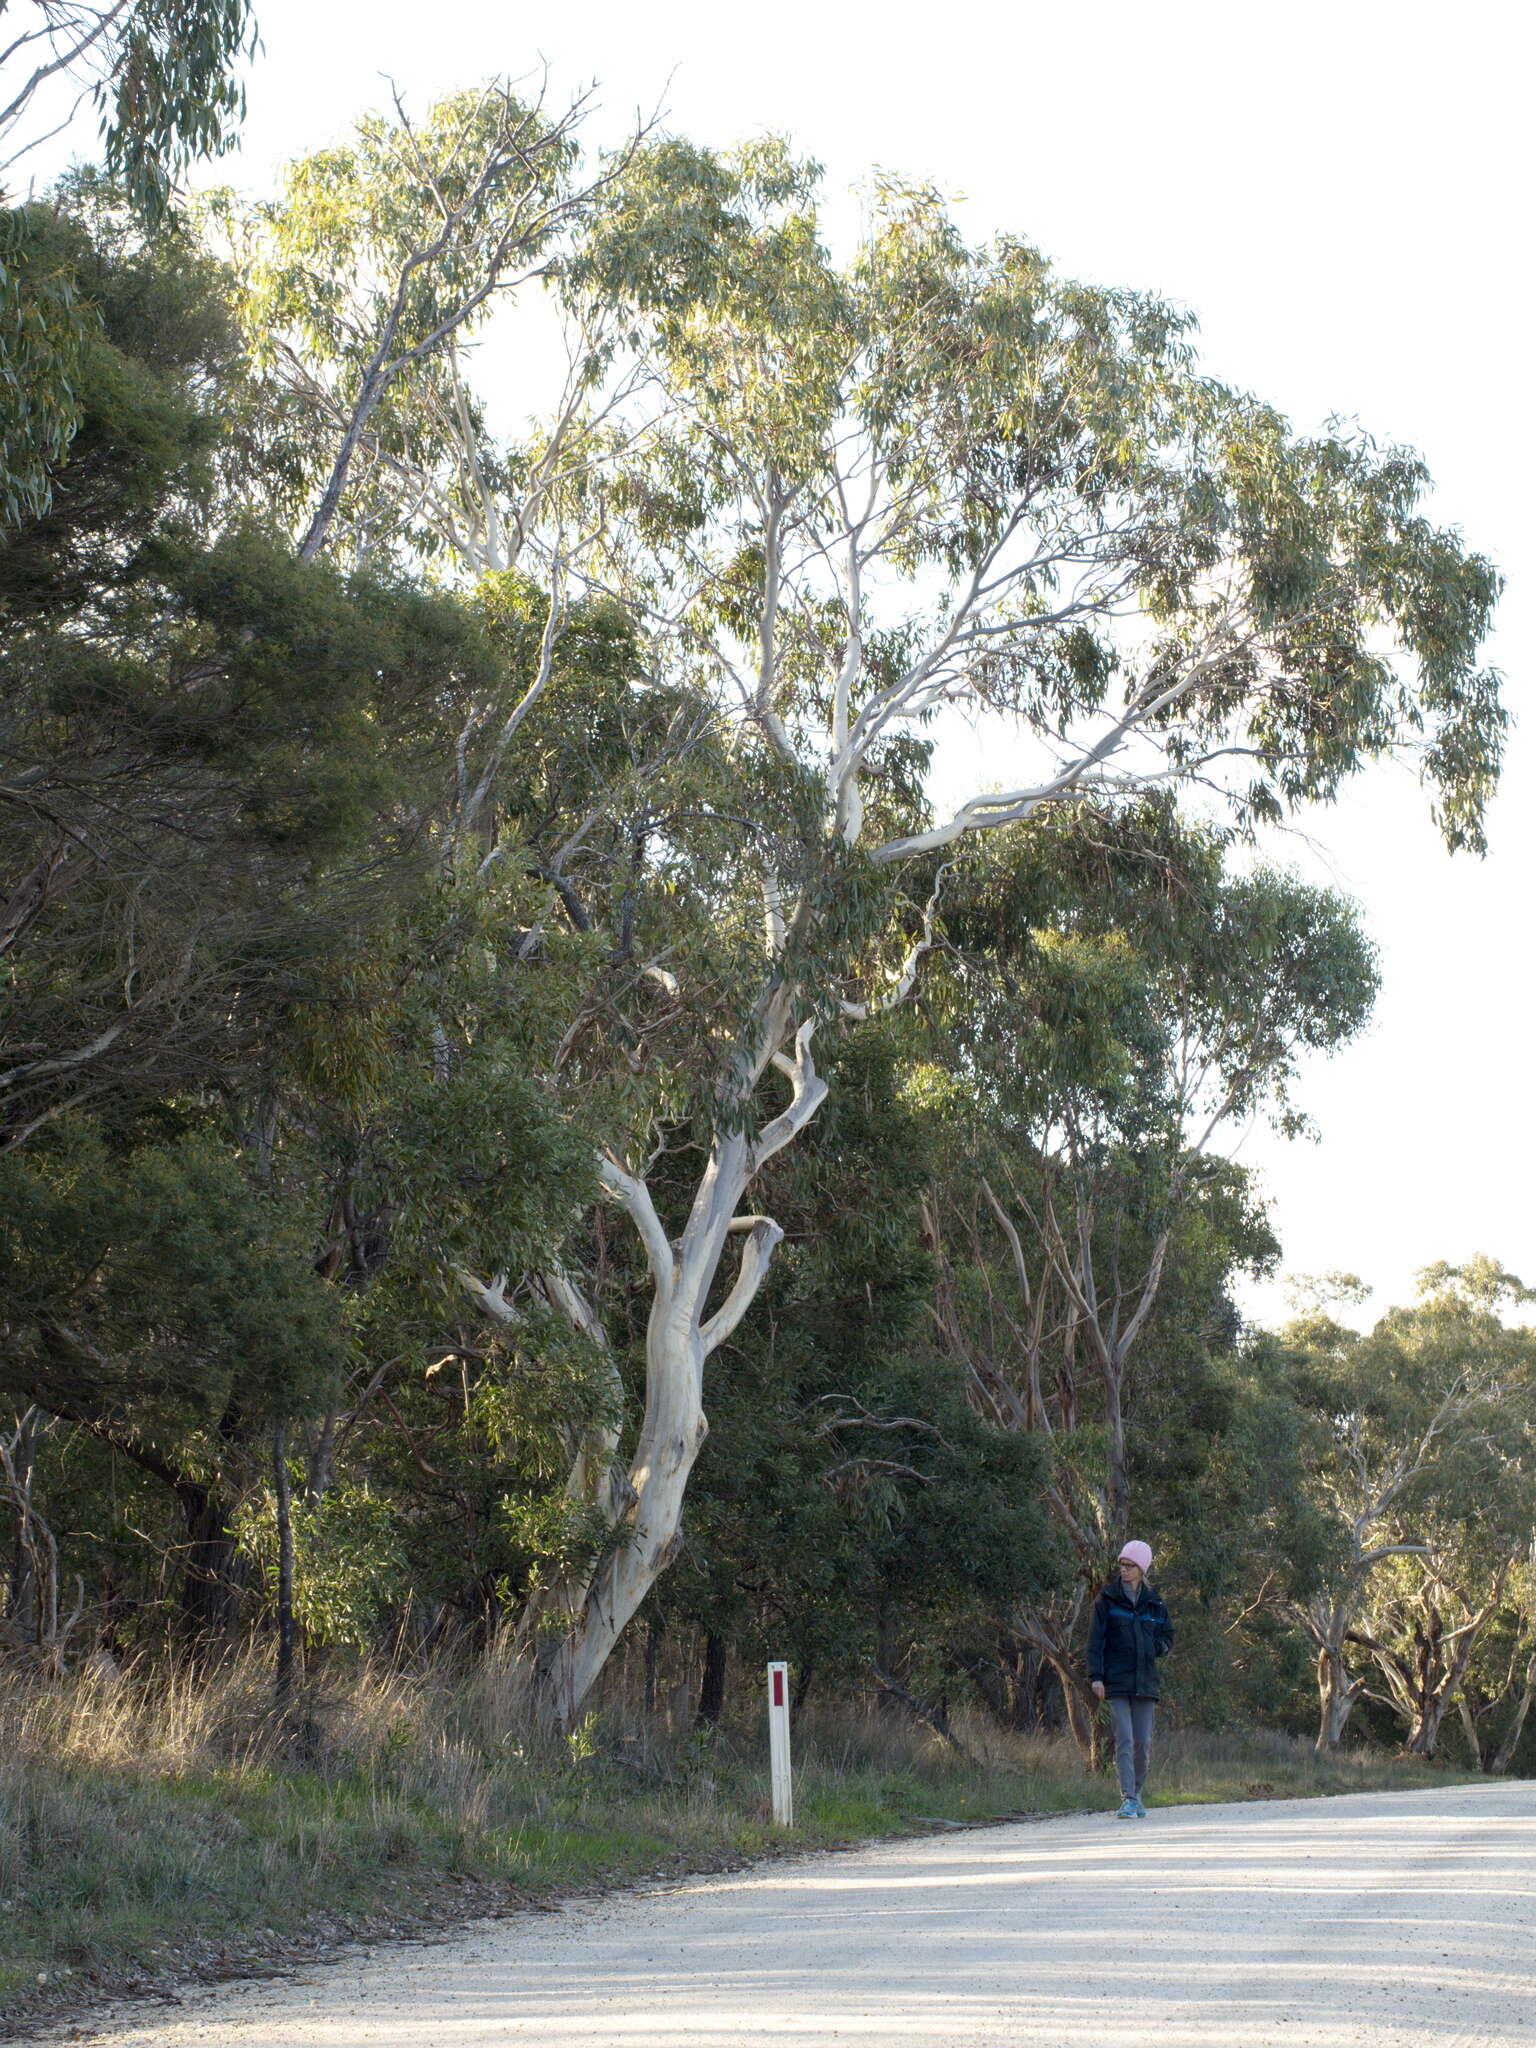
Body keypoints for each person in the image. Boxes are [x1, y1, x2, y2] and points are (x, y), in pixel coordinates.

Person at [1087, 1539, 1173, 1818]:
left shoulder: (1155, 1602)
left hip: (1146, 1682)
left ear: (1142, 1568)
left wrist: (1157, 1648)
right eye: (1121, 1565)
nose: (1123, 1570)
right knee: (1123, 1737)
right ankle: (1127, 1797)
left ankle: (1137, 1792)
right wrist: (1096, 1677)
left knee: (1143, 1742)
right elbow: (1095, 1641)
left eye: (1130, 1565)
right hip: (1116, 1680)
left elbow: (1167, 1636)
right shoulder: (1107, 1599)